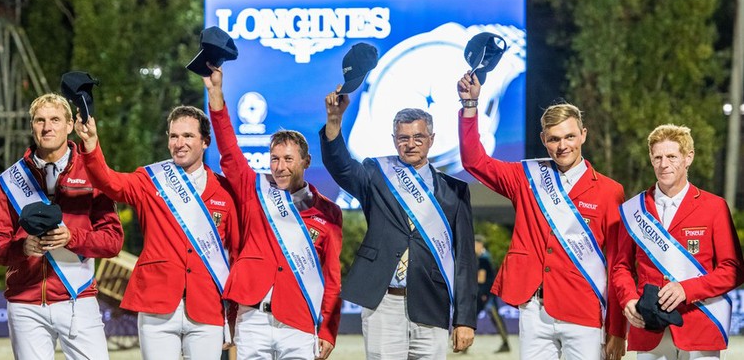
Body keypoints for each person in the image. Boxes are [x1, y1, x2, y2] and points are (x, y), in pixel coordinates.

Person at [457, 72, 627, 360]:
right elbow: (474, 161)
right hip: (534, 309)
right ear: (543, 140)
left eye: (570, 136)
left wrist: (617, 330)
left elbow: (617, 263)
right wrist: (471, 105)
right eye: (554, 139)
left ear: (583, 134)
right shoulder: (526, 176)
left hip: (584, 311)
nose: (563, 146)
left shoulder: (611, 191)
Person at [73, 104, 239, 359]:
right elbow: (107, 181)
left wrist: (233, 312)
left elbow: (235, 255)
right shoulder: (151, 179)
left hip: (207, 306)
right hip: (156, 304)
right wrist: (92, 144)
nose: (179, 143)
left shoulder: (225, 191)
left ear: (205, 141)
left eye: (188, 136)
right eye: (174, 136)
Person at [322, 87, 477, 359]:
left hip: (431, 300)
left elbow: (464, 259)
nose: (411, 143)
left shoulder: (455, 191)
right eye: (403, 137)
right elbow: (341, 167)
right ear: (394, 140)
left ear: (431, 139)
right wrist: (334, 121)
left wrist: (465, 319)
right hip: (383, 300)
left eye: (418, 137)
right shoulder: (376, 173)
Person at [204, 65, 343, 360]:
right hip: (252, 319)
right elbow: (228, 151)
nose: (279, 166)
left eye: (288, 159)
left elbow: (331, 278)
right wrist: (215, 92)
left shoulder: (328, 212)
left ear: (305, 161)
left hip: (300, 322)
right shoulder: (254, 189)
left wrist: (329, 329)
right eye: (275, 159)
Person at [0, 93, 124, 360]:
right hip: (25, 304)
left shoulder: (93, 174)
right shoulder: (11, 181)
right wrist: (21, 247)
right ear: (32, 126)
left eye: (55, 119)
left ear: (69, 125)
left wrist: (72, 237)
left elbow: (113, 241)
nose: (47, 126)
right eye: (40, 120)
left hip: (77, 299)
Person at [611, 124, 744, 360]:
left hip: (700, 324)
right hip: (649, 327)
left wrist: (687, 289)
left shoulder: (714, 207)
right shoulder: (633, 210)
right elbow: (621, 267)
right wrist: (628, 298)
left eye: (672, 156)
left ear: (688, 157)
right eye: (657, 157)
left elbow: (732, 270)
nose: (664, 164)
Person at [474, 234, 510, 354]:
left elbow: (482, 279)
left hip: (486, 294)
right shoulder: (483, 257)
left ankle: (506, 343)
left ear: (480, 244)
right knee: (473, 317)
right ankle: (463, 344)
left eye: (475, 244)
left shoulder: (484, 258)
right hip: (485, 293)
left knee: (495, 319)